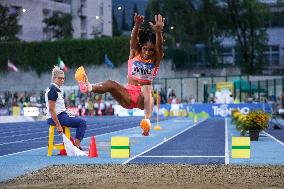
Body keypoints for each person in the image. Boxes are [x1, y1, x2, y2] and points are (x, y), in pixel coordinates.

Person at [75, 13, 165, 136]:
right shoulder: (134, 53)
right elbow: (133, 40)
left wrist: (159, 33)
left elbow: (159, 48)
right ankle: (88, 87)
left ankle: (146, 122)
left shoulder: (155, 59)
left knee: (147, 87)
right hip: (127, 95)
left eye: (151, 50)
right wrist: (137, 25)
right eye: (145, 48)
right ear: (141, 47)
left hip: (143, 99)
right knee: (110, 83)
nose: (147, 52)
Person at [45, 66, 87, 149]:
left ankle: (70, 145)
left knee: (77, 118)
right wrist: (58, 125)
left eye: (63, 78)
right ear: (54, 78)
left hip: (61, 115)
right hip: (57, 117)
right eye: (60, 78)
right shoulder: (52, 90)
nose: (62, 80)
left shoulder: (56, 89)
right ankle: (76, 147)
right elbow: (51, 109)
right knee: (82, 123)